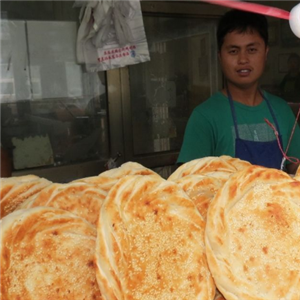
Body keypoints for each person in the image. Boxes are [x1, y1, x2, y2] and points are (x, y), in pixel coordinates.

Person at [177, 9, 300, 174]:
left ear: (265, 53)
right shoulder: (204, 117)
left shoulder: (282, 110)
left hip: (276, 200)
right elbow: (186, 185)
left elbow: (297, 169)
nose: (243, 60)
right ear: (220, 56)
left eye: (252, 50)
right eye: (233, 51)